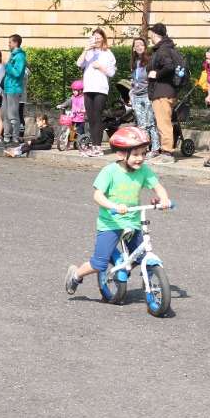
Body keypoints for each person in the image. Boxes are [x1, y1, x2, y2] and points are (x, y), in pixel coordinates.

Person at [64, 126, 171, 295]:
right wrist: (114, 206)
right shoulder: (110, 172)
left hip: (133, 222)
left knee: (142, 255)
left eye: (143, 154)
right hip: (111, 223)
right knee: (99, 263)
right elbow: (97, 196)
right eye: (136, 154)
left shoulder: (144, 171)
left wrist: (163, 199)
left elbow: (158, 187)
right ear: (121, 154)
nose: (141, 158)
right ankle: (76, 275)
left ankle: (148, 280)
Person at [146, 23, 184, 164]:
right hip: (166, 91)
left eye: (150, 33)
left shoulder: (162, 50)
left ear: (155, 34)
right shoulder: (167, 48)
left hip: (162, 92)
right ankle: (165, 150)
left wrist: (157, 74)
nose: (149, 36)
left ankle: (167, 153)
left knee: (163, 123)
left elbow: (169, 67)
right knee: (163, 122)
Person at [76, 28, 117, 157]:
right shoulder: (89, 52)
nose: (97, 40)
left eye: (99, 37)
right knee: (91, 118)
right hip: (88, 88)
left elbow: (112, 72)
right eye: (94, 37)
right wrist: (86, 49)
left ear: (103, 39)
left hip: (100, 88)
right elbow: (79, 64)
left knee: (98, 116)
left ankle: (98, 146)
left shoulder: (108, 53)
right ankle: (93, 145)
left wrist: (101, 67)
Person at [128, 37, 159, 159]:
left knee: (150, 123)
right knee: (141, 124)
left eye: (141, 45)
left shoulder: (150, 61)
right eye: (136, 45)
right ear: (133, 48)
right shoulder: (135, 63)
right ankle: (144, 148)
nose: (139, 47)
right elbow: (134, 80)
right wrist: (131, 93)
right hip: (137, 96)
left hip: (148, 95)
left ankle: (155, 148)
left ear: (145, 47)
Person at [2, 34, 27, 144]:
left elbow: (17, 73)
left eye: (10, 42)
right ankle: (6, 137)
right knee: (5, 114)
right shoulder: (13, 55)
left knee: (13, 115)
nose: (8, 44)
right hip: (7, 88)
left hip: (14, 88)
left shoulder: (20, 56)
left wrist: (7, 66)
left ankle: (15, 137)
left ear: (16, 43)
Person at [56, 80, 87, 153]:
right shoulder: (73, 97)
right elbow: (67, 102)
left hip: (81, 118)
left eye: (75, 90)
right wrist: (62, 105)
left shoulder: (84, 98)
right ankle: (68, 144)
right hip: (73, 117)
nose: (73, 92)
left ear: (81, 91)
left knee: (80, 132)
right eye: (73, 90)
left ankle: (81, 143)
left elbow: (86, 106)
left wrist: (83, 110)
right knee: (71, 131)